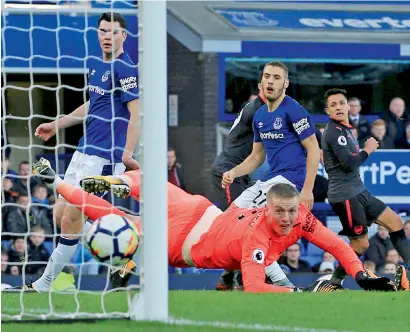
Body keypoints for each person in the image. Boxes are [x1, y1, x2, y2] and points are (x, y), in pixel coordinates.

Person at [13, 158, 403, 293]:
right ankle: (106, 185)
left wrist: (359, 273)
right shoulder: (266, 226)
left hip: (181, 241)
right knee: (148, 180)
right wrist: (299, 293)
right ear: (269, 207)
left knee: (111, 218)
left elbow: (336, 243)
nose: (288, 218)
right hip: (199, 212)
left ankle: (56, 182)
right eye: (280, 212)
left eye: (291, 214)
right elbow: (255, 285)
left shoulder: (289, 220)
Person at [31, 12, 140, 292]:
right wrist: (58, 123)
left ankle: (43, 285)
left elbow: (136, 113)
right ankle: (125, 256)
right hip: (83, 151)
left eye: (113, 32)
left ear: (123, 36)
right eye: (102, 31)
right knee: (61, 214)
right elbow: (94, 104)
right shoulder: (94, 64)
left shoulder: (125, 68)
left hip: (105, 156)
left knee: (71, 219)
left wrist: (127, 153)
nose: (107, 36)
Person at [220, 61, 321, 289]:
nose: (270, 81)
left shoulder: (293, 109)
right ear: (261, 81)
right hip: (270, 180)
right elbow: (257, 157)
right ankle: (232, 274)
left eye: (276, 77)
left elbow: (314, 148)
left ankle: (279, 282)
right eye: (267, 76)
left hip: (289, 181)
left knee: (250, 226)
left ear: (285, 83)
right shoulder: (260, 116)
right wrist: (233, 172)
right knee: (229, 218)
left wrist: (307, 189)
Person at [321, 88, 410, 287]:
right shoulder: (334, 132)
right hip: (345, 196)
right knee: (360, 244)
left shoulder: (344, 130)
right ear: (327, 111)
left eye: (341, 103)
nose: (338, 107)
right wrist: (368, 149)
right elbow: (349, 164)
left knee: (395, 222)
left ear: (348, 106)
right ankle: (335, 282)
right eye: (333, 105)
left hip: (359, 191)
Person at [210, 77, 266, 290]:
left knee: (249, 222)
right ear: (260, 87)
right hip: (229, 172)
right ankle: (237, 277)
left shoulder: (261, 109)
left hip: (240, 173)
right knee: (240, 223)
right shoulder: (258, 111)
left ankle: (229, 276)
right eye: (266, 81)